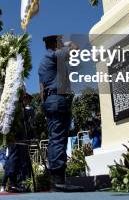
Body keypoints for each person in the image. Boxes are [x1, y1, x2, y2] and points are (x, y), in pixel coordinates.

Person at [38, 35, 83, 192]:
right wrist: (67, 43)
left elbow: (41, 88)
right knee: (58, 139)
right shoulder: (54, 55)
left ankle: (54, 180)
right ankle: (59, 181)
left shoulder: (44, 62)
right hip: (58, 98)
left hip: (50, 101)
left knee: (53, 139)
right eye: (59, 42)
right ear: (55, 44)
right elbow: (76, 49)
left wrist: (44, 105)